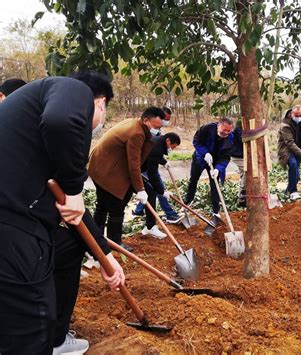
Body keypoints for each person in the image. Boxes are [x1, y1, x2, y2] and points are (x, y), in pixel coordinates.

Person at [0, 71, 124, 355]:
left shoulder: (37, 131)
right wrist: (74, 187)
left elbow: (76, 215)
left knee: (68, 246)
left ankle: (55, 338)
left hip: (17, 217)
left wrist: (105, 256)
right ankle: (41, 335)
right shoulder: (72, 90)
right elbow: (61, 121)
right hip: (12, 224)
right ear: (101, 103)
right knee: (32, 324)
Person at [88, 106, 166, 251]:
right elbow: (134, 165)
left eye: (159, 128)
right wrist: (140, 190)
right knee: (117, 206)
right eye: (155, 127)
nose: (157, 131)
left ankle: (95, 240)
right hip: (107, 171)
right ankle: (114, 242)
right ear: (146, 120)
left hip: (100, 167)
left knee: (102, 206)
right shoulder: (136, 133)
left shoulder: (135, 123)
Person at [184, 117, 234, 222]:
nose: (226, 133)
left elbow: (226, 156)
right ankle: (187, 203)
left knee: (215, 184)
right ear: (218, 125)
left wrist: (218, 169)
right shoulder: (207, 128)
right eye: (224, 130)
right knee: (193, 180)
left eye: (229, 131)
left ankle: (216, 212)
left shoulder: (230, 138)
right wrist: (205, 153)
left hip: (216, 162)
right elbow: (196, 141)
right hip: (201, 158)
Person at [140, 132, 182, 239]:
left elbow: (154, 157)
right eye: (173, 146)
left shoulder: (158, 141)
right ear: (168, 141)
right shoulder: (157, 148)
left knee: (150, 194)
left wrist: (163, 161)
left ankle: (149, 226)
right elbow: (152, 174)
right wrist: (162, 191)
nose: (172, 149)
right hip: (134, 170)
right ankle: (150, 226)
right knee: (150, 193)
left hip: (139, 167)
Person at [277, 104, 301, 200]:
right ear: (292, 114)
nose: (298, 117)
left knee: (296, 174)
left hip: (298, 148)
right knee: (293, 165)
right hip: (286, 150)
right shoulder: (285, 125)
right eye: (296, 115)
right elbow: (290, 143)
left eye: (300, 115)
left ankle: (287, 191)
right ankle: (293, 191)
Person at [231, 118, 246, 207]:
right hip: (238, 155)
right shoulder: (241, 124)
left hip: (242, 155)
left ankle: (242, 194)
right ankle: (242, 194)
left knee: (243, 174)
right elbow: (243, 139)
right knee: (247, 171)